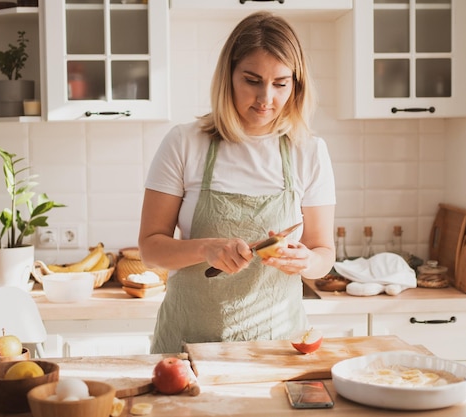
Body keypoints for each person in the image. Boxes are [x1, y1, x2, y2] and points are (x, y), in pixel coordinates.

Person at [138, 11, 336, 354]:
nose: (266, 99)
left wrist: (307, 262)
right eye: (252, 80)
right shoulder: (184, 143)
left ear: (296, 85)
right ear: (228, 76)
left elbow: (324, 252)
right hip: (187, 345)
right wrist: (204, 248)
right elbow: (150, 249)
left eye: (280, 83)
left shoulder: (309, 151)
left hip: (277, 346)